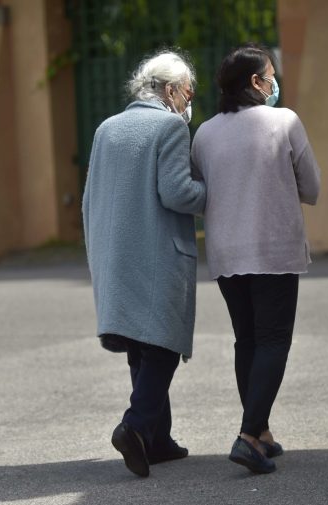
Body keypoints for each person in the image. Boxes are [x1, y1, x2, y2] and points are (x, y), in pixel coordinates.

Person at [191, 44, 320, 474]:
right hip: (274, 248)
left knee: (246, 339)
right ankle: (248, 436)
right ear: (255, 82)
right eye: (270, 74)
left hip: (226, 252)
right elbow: (312, 188)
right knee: (273, 340)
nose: (274, 81)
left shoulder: (205, 133)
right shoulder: (285, 121)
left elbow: (200, 188)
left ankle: (261, 431)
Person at [82, 50, 206, 478]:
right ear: (170, 90)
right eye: (188, 91)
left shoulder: (107, 127)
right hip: (156, 252)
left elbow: (89, 197)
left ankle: (158, 439)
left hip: (114, 251)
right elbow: (177, 194)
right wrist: (215, 192)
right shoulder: (169, 126)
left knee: (140, 342)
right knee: (164, 345)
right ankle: (135, 426)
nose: (189, 101)